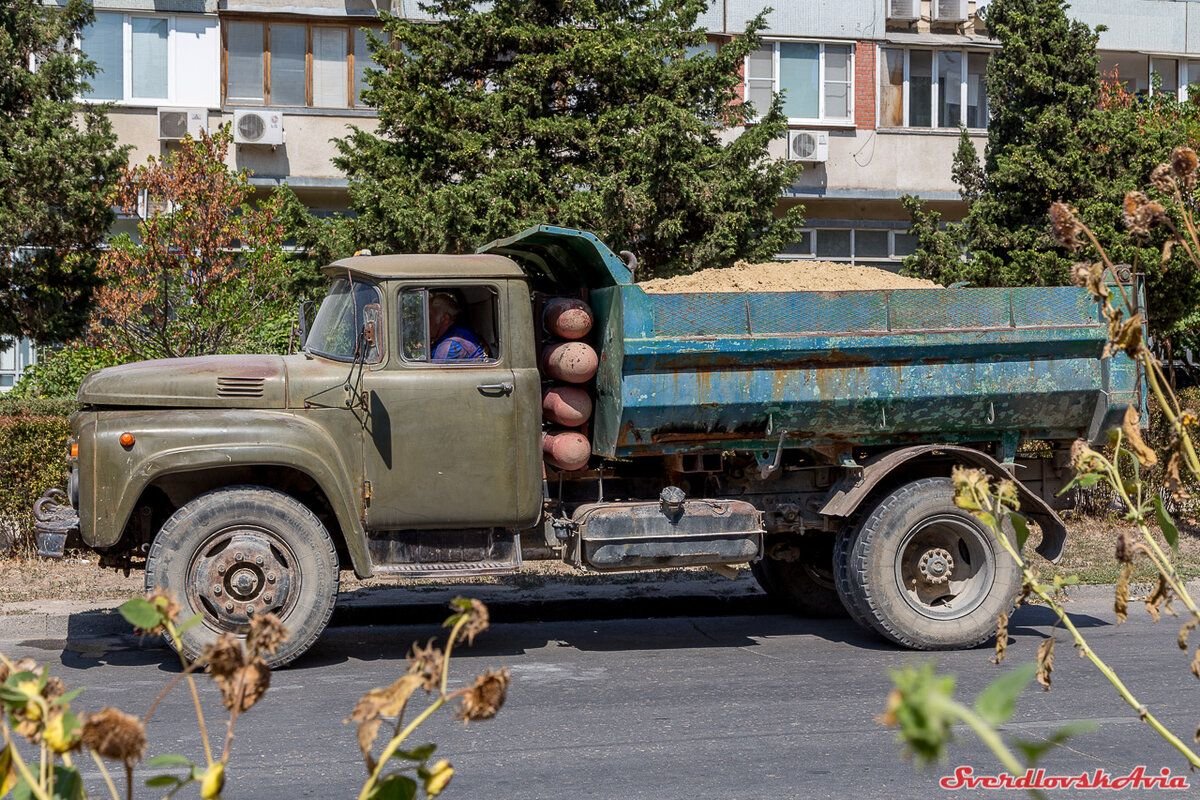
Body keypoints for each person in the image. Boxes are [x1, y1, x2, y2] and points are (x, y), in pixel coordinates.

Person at [429, 291, 488, 361]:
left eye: (430, 317)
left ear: (445, 319)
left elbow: (438, 371)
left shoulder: (451, 346)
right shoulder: (459, 331)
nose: (426, 322)